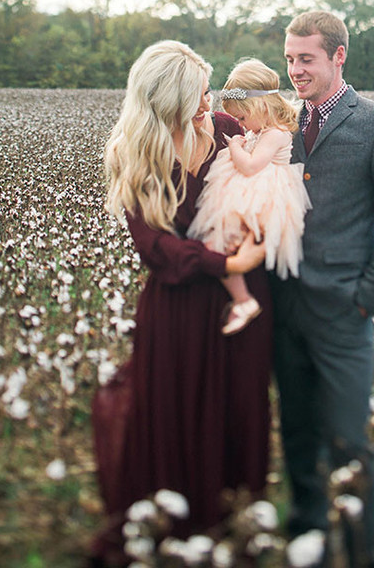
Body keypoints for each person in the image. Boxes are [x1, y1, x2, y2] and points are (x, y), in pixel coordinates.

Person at [89, 41, 271, 566]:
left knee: (234, 409)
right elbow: (155, 248)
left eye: (208, 90)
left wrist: (257, 236)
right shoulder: (134, 151)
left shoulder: (229, 132)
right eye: (197, 93)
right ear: (165, 98)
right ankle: (176, 524)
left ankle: (228, 521)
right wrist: (228, 265)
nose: (209, 102)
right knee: (173, 410)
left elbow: (264, 189)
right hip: (177, 309)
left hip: (238, 310)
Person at [271, 11, 374, 568]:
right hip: (286, 307)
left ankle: (362, 552)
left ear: (338, 56)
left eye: (305, 59)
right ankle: (305, 542)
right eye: (289, 59)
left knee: (349, 442)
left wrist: (365, 298)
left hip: (342, 313)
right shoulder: (280, 123)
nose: (295, 70)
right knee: (298, 437)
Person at [188, 58, 311, 335]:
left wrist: (234, 147)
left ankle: (243, 300)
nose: (240, 125)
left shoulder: (276, 134)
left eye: (242, 118)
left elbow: (251, 166)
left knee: (223, 244)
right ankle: (242, 298)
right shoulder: (261, 131)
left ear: (260, 106)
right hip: (253, 192)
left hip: (265, 195)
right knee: (218, 245)